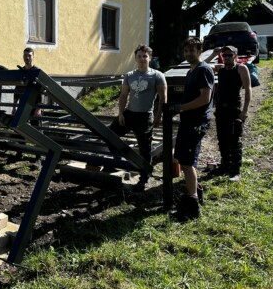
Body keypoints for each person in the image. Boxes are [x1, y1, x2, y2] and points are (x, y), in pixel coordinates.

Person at [108, 44, 167, 188]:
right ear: (135, 58)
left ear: (150, 58)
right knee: (109, 134)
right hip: (129, 114)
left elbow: (163, 98)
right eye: (139, 56)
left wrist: (159, 116)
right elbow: (123, 96)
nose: (142, 59)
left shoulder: (157, 75)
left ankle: (144, 177)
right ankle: (117, 161)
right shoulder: (129, 75)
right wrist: (121, 113)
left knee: (145, 148)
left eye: (145, 56)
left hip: (145, 117)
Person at [172, 37, 214, 221]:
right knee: (184, 159)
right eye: (186, 51)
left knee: (188, 163)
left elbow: (205, 99)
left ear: (200, 50)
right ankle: (196, 190)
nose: (189, 53)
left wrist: (181, 107)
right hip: (188, 121)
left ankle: (192, 205)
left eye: (193, 50)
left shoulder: (204, 69)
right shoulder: (191, 71)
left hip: (197, 122)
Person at [205, 45, 252, 181]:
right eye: (224, 55)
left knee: (234, 140)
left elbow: (248, 90)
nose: (226, 57)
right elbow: (202, 66)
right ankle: (224, 166)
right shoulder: (220, 68)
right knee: (222, 138)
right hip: (220, 109)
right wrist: (214, 54)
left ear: (235, 56)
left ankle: (235, 171)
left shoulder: (241, 68)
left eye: (229, 55)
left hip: (234, 109)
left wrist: (245, 110)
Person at [13, 47, 43, 169]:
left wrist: (38, 108)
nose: (27, 58)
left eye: (29, 55)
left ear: (33, 57)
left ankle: (38, 158)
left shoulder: (37, 71)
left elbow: (41, 91)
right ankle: (21, 152)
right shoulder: (21, 72)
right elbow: (16, 90)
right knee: (20, 129)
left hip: (34, 106)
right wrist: (14, 106)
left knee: (36, 131)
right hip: (22, 105)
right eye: (25, 55)